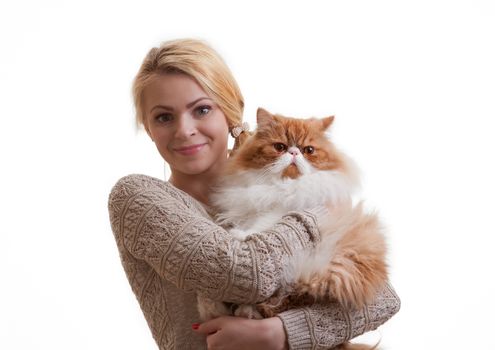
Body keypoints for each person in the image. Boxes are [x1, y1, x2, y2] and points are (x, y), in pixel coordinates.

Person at [108, 38, 400, 350]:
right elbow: (245, 275)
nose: (184, 130)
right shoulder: (138, 199)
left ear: (231, 113)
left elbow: (383, 300)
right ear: (148, 127)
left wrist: (282, 333)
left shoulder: (288, 188)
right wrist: (320, 214)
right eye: (164, 117)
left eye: (202, 110)